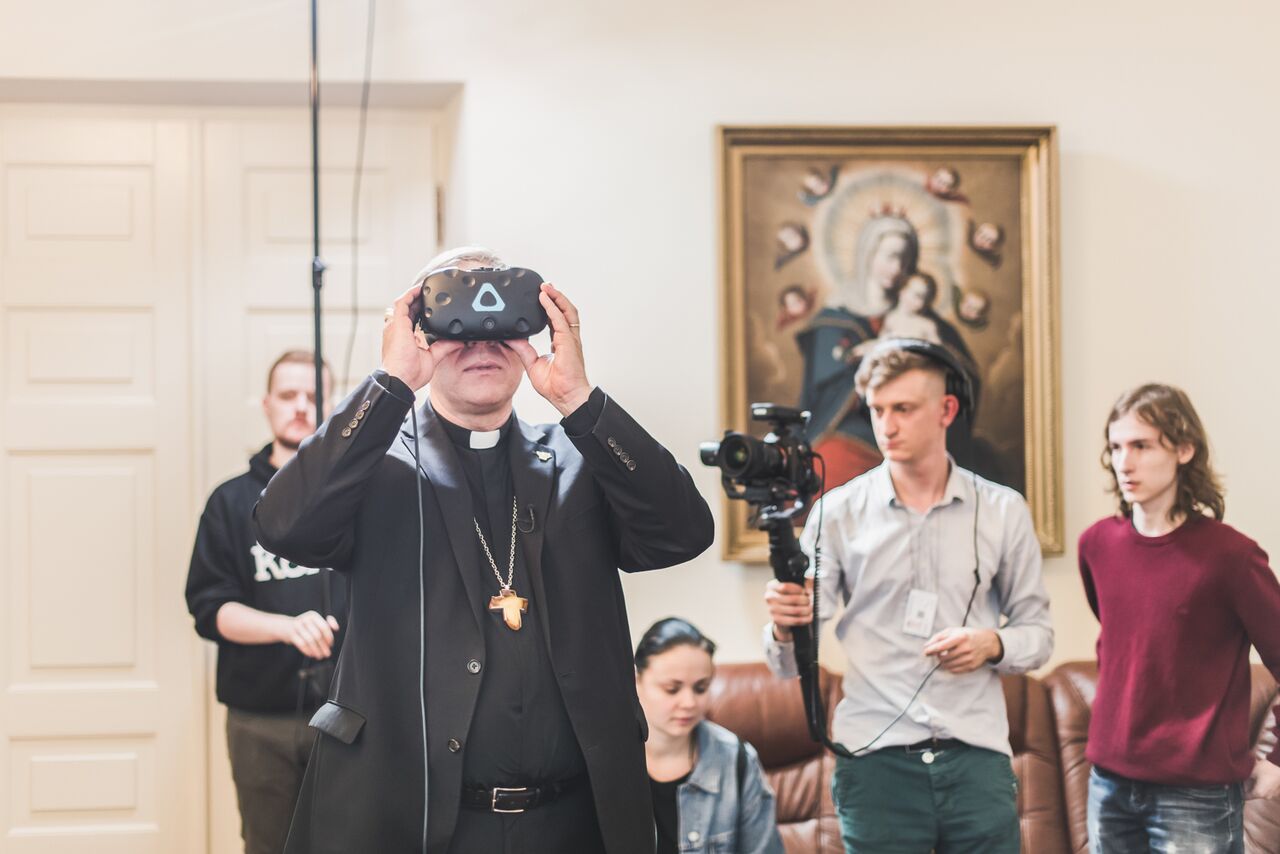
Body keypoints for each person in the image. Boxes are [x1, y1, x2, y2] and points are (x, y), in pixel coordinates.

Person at [251, 246, 715, 854]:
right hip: (413, 820)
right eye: (457, 322)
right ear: (419, 330)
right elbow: (282, 527)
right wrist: (390, 384)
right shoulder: (374, 466)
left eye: (500, 323)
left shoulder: (577, 459)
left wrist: (579, 399)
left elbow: (684, 532)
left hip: (574, 821)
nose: (481, 342)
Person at [764, 338, 1053, 854]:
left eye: (903, 409)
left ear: (947, 410)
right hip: (874, 759)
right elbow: (789, 665)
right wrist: (786, 626)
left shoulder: (1003, 511)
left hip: (976, 756)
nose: (886, 426)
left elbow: (1039, 634)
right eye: (876, 410)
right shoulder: (837, 513)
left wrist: (992, 644)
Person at [1079, 384, 1280, 854]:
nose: (1124, 462)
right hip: (1107, 784)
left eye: (1141, 446)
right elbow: (1124, 643)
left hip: (1197, 796)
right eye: (1116, 447)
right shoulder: (1096, 545)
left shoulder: (1232, 558)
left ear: (1184, 450)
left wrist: (1278, 760)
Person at [184, 350, 348, 854]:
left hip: (350, 715)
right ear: (266, 404)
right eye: (288, 395)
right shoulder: (230, 502)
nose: (300, 406)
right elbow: (210, 609)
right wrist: (286, 627)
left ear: (333, 405)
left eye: (313, 396)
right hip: (260, 722)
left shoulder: (354, 497)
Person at [634, 618, 783, 854]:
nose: (689, 702)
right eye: (672, 689)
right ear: (636, 682)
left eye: (701, 688)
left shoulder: (736, 759)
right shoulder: (606, 760)